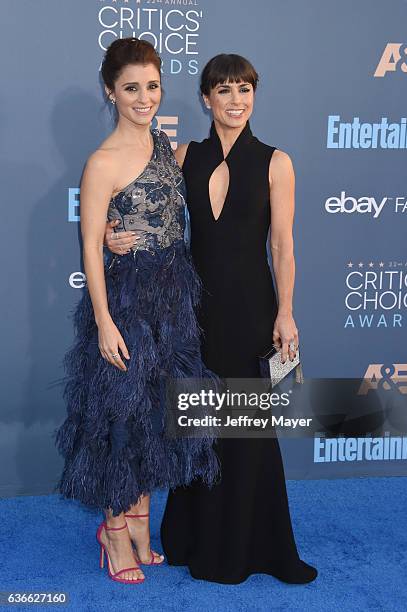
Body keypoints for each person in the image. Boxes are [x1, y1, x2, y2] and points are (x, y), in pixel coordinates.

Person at [105, 53, 317, 585]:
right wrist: (112, 231)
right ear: (206, 99)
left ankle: (257, 545)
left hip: (251, 308)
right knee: (198, 426)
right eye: (224, 91)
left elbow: (283, 246)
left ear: (254, 96)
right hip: (191, 308)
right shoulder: (183, 155)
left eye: (244, 90)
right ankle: (192, 537)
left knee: (248, 429)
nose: (235, 101)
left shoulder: (276, 162)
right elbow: (140, 202)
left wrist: (286, 313)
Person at [54, 38, 219, 585]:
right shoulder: (101, 162)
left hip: (172, 301)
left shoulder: (167, 145)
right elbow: (88, 249)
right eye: (131, 88)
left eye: (152, 86)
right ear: (111, 91)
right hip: (126, 304)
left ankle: (142, 524)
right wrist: (103, 320)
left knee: (155, 418)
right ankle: (115, 533)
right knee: (118, 418)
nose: (144, 98)